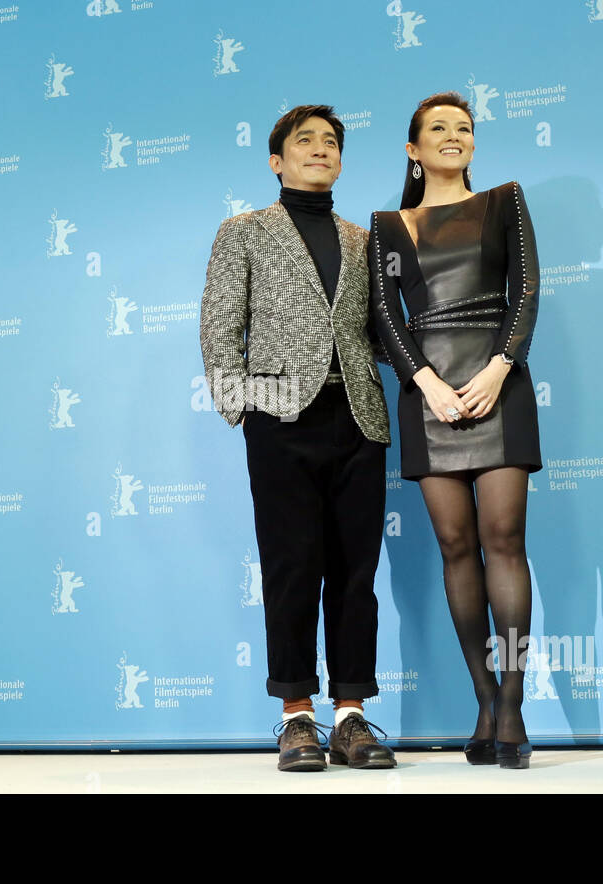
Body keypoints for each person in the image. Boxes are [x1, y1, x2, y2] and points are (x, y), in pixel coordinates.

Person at [200, 104, 396, 772]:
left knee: (355, 574)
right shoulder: (244, 231)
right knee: (291, 568)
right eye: (305, 140)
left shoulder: (363, 240)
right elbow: (220, 324)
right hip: (281, 418)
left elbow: (380, 332)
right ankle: (296, 718)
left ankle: (351, 718)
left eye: (331, 141)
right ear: (276, 161)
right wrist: (244, 407)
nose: (320, 148)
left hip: (360, 418)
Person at [368, 91, 542, 769]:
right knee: (455, 546)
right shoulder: (388, 226)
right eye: (438, 128)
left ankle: (514, 705)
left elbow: (526, 292)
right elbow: (386, 315)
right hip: (429, 397)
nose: (453, 135)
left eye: (464, 128)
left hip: (499, 385)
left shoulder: (504, 201)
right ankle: (484, 699)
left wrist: (500, 368)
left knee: (504, 539)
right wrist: (427, 384)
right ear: (413, 150)